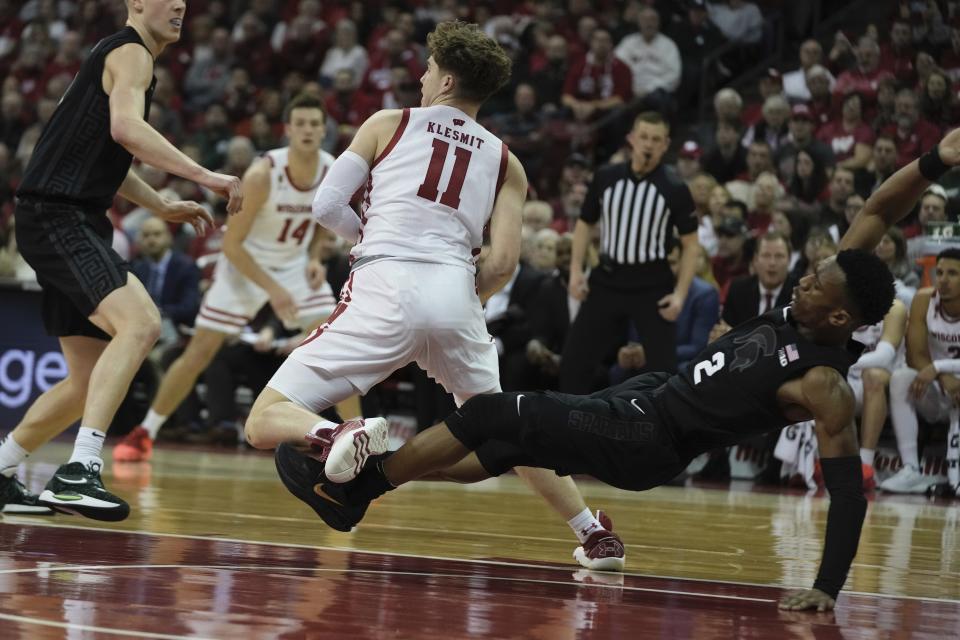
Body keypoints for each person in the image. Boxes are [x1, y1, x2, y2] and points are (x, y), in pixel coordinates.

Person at [296, 128, 960, 610]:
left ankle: (361, 491)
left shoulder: (824, 385)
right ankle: (367, 490)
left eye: (819, 284)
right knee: (502, 445)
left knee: (495, 410)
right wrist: (936, 160)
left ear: (841, 320)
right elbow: (876, 211)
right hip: (650, 398)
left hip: (650, 437)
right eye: (813, 272)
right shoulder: (815, 301)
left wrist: (827, 585)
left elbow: (849, 492)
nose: (806, 281)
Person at [244, 21, 624, 571]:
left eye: (427, 69)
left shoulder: (387, 123)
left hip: (384, 282)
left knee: (264, 419)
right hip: (454, 291)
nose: (421, 78)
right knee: (505, 425)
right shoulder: (505, 160)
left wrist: (374, 239)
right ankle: (593, 534)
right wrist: (464, 297)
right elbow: (503, 261)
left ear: (445, 81)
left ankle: (334, 432)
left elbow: (326, 207)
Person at [0, 0, 241, 520]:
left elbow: (106, 157)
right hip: (59, 216)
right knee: (142, 322)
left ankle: (0, 471)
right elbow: (127, 132)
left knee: (85, 382)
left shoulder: (118, 56)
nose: (179, 4)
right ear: (135, 2)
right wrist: (207, 176)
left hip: (61, 215)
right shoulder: (132, 53)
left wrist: (161, 204)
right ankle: (79, 470)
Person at [112, 93, 338, 462]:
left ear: (324, 129)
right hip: (245, 267)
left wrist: (315, 258)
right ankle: (145, 432)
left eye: (315, 123)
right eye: (301, 123)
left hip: (294, 267)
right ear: (288, 130)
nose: (308, 130)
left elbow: (321, 227)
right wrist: (274, 291)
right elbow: (232, 245)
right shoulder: (263, 174)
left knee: (336, 348)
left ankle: (359, 443)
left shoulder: (331, 169)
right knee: (199, 352)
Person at [560, 111, 700, 393]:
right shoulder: (605, 177)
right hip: (608, 278)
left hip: (652, 283)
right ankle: (567, 427)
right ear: (632, 139)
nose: (648, 144)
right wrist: (576, 272)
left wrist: (680, 295)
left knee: (663, 371)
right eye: (644, 137)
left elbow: (690, 244)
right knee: (574, 361)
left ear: (665, 144)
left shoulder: (675, 188)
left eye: (656, 139)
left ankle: (660, 433)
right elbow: (585, 224)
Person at [881, 249, 960, 496]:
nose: (943, 280)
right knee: (901, 378)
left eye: (953, 273)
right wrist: (941, 375)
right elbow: (915, 354)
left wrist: (940, 368)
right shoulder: (924, 300)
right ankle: (911, 468)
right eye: (939, 273)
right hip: (937, 387)